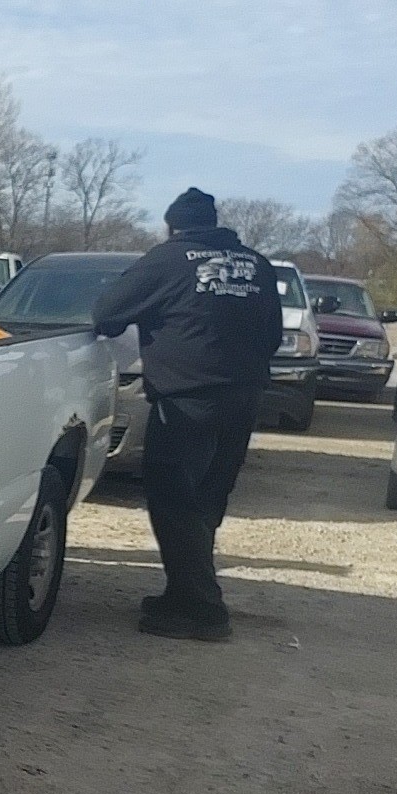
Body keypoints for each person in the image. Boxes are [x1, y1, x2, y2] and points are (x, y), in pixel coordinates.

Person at [92, 188, 283, 641]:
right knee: (207, 499)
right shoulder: (256, 264)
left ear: (173, 226)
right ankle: (182, 593)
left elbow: (105, 314)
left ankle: (203, 611)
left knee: (173, 499)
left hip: (187, 400)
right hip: (243, 397)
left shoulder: (168, 259)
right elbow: (273, 334)